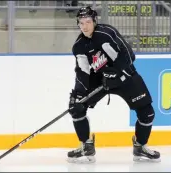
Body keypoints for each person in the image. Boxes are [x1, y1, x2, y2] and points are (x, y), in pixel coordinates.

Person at [67, 6, 160, 164]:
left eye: (88, 22)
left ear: (94, 21)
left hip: (125, 75)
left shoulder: (106, 33)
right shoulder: (79, 46)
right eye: (81, 23)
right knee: (77, 107)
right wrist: (79, 94)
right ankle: (86, 146)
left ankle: (140, 147)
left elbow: (128, 54)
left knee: (147, 112)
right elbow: (82, 73)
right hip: (101, 79)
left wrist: (118, 72)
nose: (84, 26)